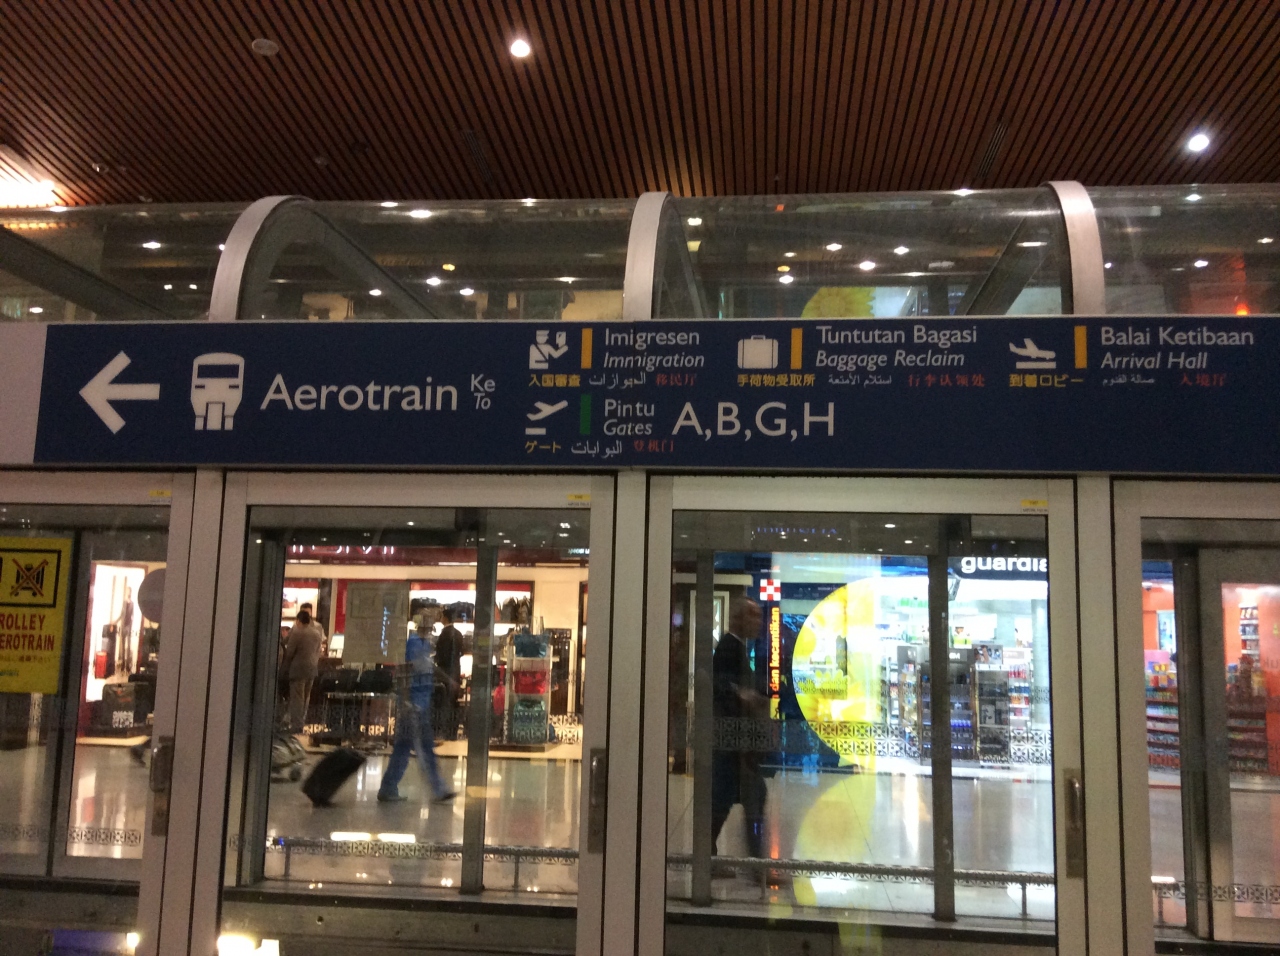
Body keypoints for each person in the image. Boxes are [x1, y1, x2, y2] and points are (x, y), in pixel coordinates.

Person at [711, 594, 768, 860]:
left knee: (729, 801)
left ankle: (712, 858)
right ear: (737, 618)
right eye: (752, 615)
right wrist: (744, 696)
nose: (758, 621)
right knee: (741, 798)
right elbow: (720, 685)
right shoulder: (729, 647)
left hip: (735, 746)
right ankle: (756, 865)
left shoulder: (737, 647)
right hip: (732, 746)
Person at [379, 613, 456, 804]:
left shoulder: (423, 644)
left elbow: (429, 667)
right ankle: (438, 789)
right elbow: (405, 671)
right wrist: (406, 700)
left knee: (403, 748)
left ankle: (388, 787)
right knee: (425, 748)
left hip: (419, 702)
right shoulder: (413, 643)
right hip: (414, 704)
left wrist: (448, 680)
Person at [281, 606, 324, 733]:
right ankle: (302, 722)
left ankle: (297, 725)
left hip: (298, 670)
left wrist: (285, 667)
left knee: (297, 698)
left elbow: (289, 652)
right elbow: (318, 651)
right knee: (306, 698)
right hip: (312, 669)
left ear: (298, 621)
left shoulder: (297, 632)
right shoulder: (317, 633)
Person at [433, 607, 464, 740]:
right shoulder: (459, 634)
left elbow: (441, 657)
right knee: (452, 702)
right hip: (455, 672)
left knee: (442, 703)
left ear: (445, 618)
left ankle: (442, 731)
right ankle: (452, 732)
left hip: (444, 673)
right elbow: (461, 653)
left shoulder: (444, 635)